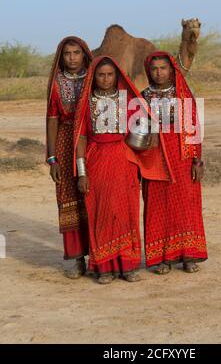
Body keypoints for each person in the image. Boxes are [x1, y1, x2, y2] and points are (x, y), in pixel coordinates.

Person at [74, 56, 171, 284]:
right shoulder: (86, 103)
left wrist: (152, 134)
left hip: (123, 159)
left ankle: (128, 266)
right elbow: (81, 138)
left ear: (116, 76)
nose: (106, 79)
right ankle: (104, 268)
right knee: (102, 211)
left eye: (110, 75)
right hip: (96, 159)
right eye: (101, 75)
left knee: (126, 211)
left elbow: (148, 121)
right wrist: (82, 172)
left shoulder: (128, 101)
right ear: (93, 77)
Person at [142, 51, 208, 274]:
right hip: (154, 157)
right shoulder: (142, 97)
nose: (159, 73)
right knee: (157, 205)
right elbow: (135, 129)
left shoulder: (183, 94)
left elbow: (194, 128)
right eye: (154, 69)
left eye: (163, 68)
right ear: (148, 71)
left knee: (186, 204)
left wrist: (197, 161)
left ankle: (189, 255)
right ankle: (162, 258)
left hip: (182, 157)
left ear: (171, 70)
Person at [46, 36, 93, 278]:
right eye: (67, 53)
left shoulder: (96, 78)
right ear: (61, 57)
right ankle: (75, 258)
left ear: (84, 54)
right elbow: (52, 119)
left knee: (93, 197)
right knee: (68, 197)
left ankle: (98, 256)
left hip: (92, 144)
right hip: (65, 144)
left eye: (76, 52)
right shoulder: (57, 83)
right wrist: (51, 157)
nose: (72, 57)